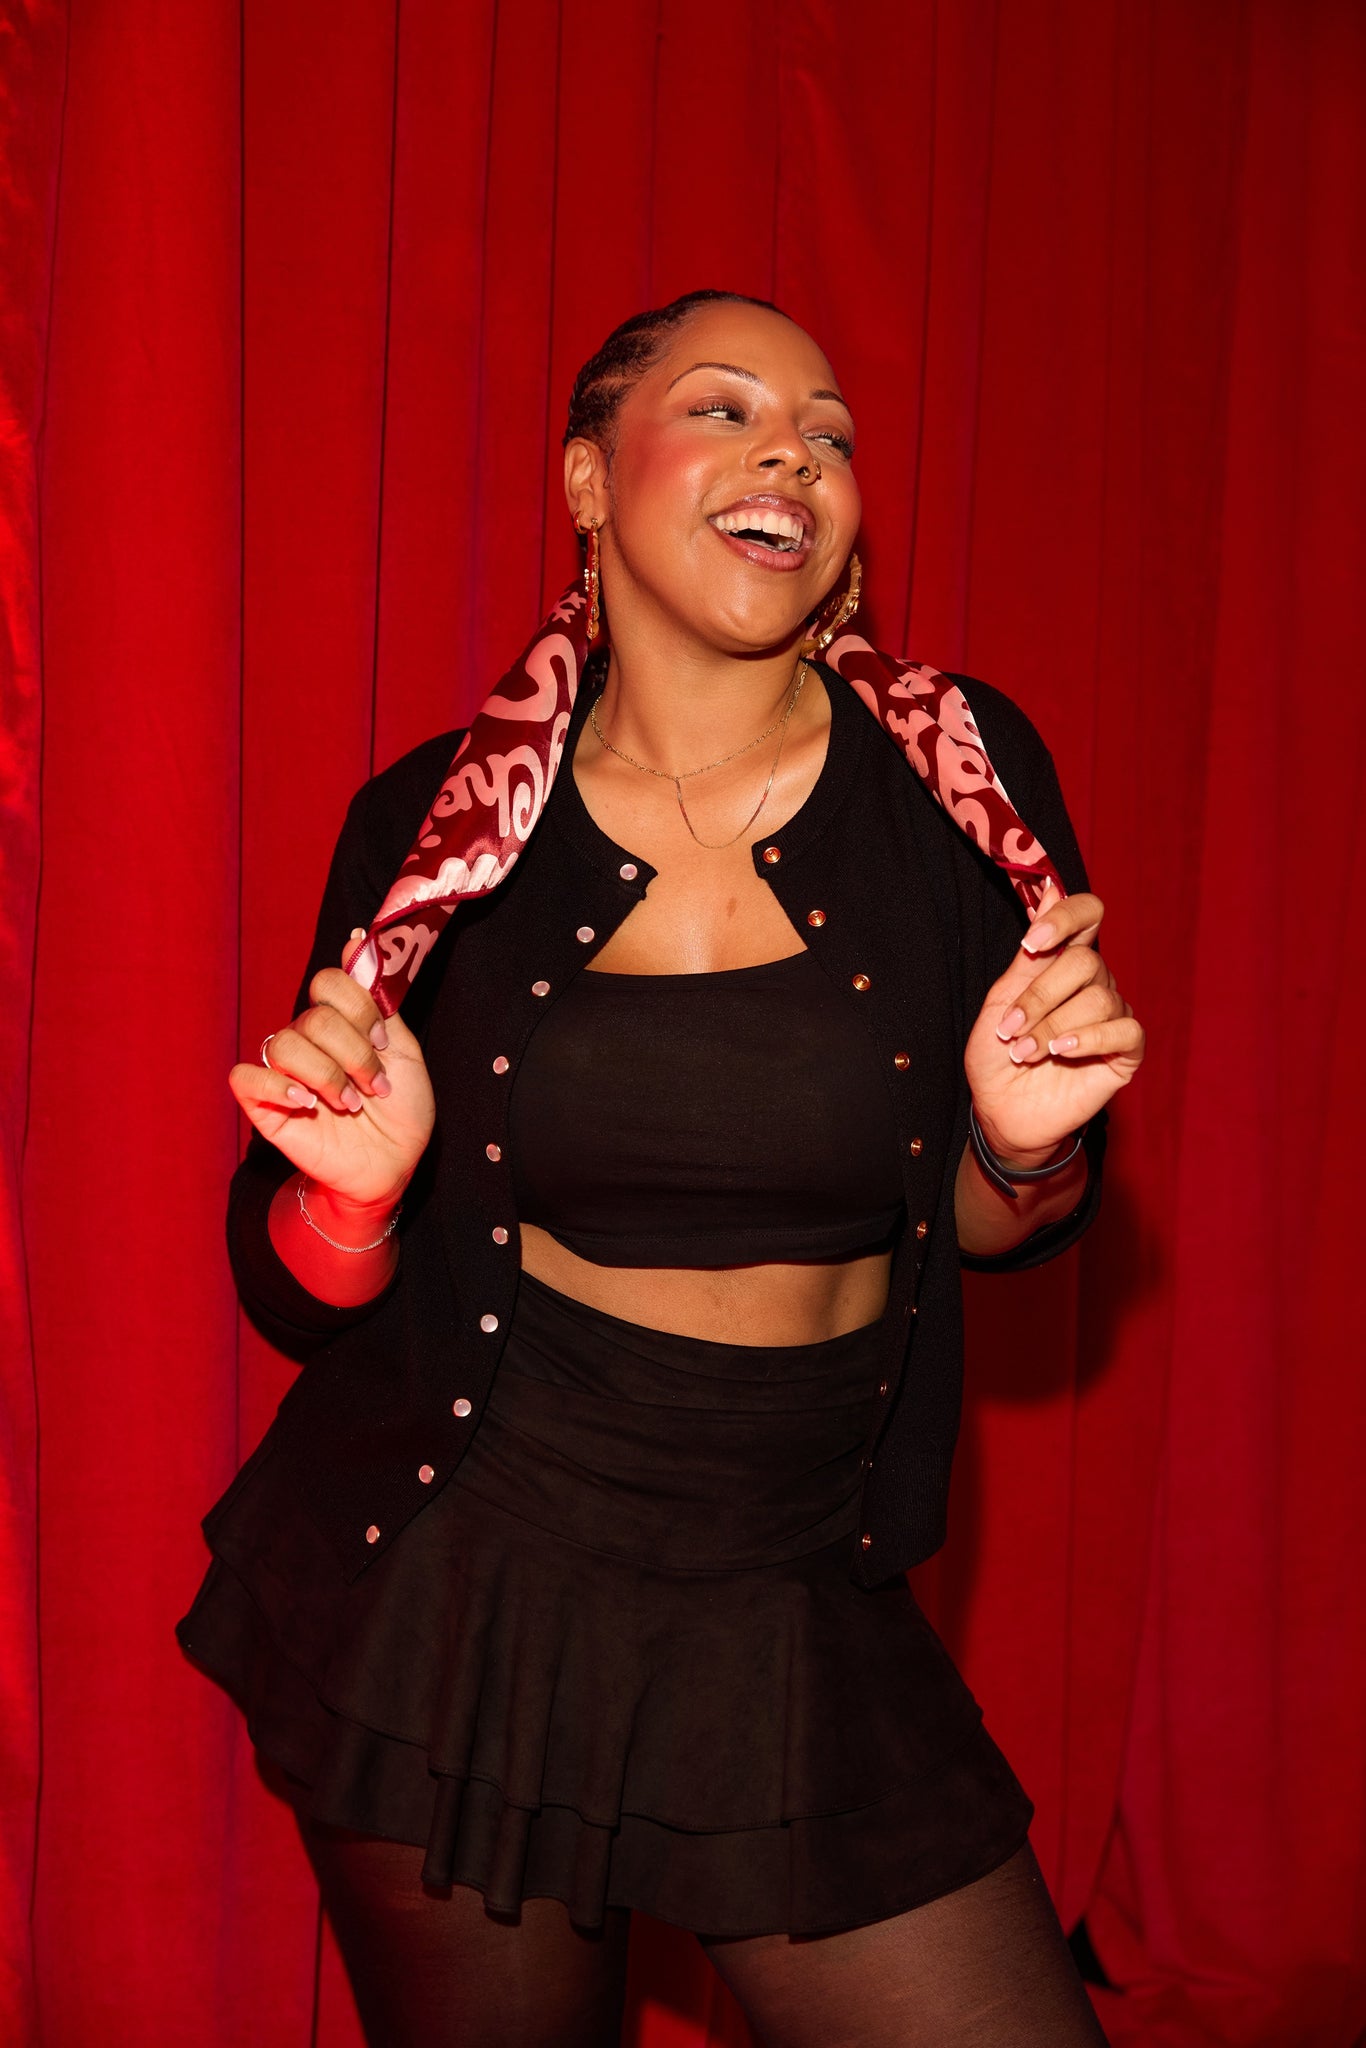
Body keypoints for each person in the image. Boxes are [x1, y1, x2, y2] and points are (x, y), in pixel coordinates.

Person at [177, 289, 1143, 2047]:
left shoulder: (961, 777)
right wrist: (351, 1203)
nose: (794, 453)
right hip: (469, 1568)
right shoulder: (433, 829)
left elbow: (1009, 1228)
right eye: (723, 409)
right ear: (584, 480)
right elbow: (288, 1282)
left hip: (790, 1575)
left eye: (830, 432)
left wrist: (1025, 1150)